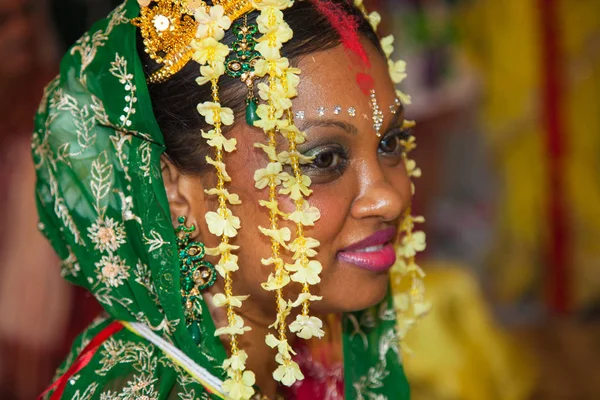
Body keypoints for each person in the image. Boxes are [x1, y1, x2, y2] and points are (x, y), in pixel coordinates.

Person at [33, 1, 428, 399]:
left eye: (390, 143)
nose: (389, 199)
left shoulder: (305, 363)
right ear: (173, 191)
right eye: (323, 159)